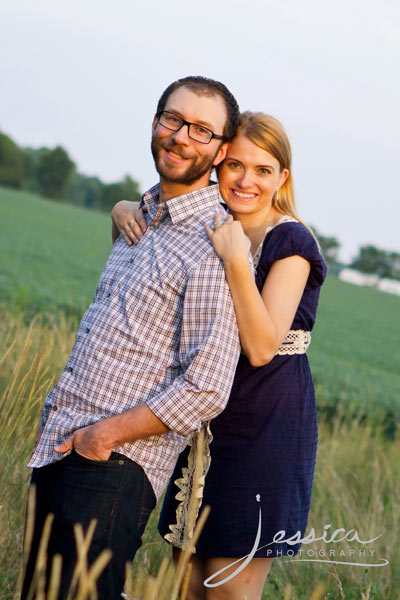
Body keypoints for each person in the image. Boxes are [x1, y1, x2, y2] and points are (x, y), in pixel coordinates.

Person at [21, 76, 243, 600]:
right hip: (59, 444)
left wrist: (103, 439)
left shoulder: (215, 243)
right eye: (174, 119)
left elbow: (208, 386)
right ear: (155, 120)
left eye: (201, 130)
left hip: (114, 466)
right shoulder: (139, 219)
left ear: (221, 149)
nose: (182, 137)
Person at [111, 111, 327, 600]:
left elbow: (261, 346)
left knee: (228, 588)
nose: (246, 180)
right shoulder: (212, 219)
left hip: (265, 424)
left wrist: (234, 259)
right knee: (185, 579)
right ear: (217, 166)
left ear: (282, 178)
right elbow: (150, 210)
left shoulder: (290, 242)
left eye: (263, 170)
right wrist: (122, 207)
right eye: (235, 166)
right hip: (202, 415)